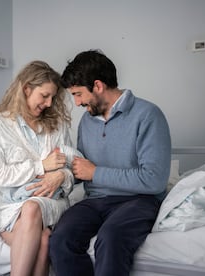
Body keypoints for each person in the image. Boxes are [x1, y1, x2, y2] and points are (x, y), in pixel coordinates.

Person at [49, 50, 171, 275]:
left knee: (110, 238)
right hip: (95, 201)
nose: (76, 103)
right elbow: (81, 169)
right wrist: (60, 173)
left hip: (138, 201)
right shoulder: (87, 121)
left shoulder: (148, 115)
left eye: (78, 94)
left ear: (97, 85)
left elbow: (154, 180)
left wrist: (96, 173)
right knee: (60, 238)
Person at [0, 60, 76, 276]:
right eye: (45, 96)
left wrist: (61, 175)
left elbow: (72, 169)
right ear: (26, 89)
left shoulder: (56, 127)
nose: (50, 103)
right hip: (9, 207)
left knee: (32, 207)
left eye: (53, 97)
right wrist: (40, 166)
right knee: (43, 240)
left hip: (51, 202)